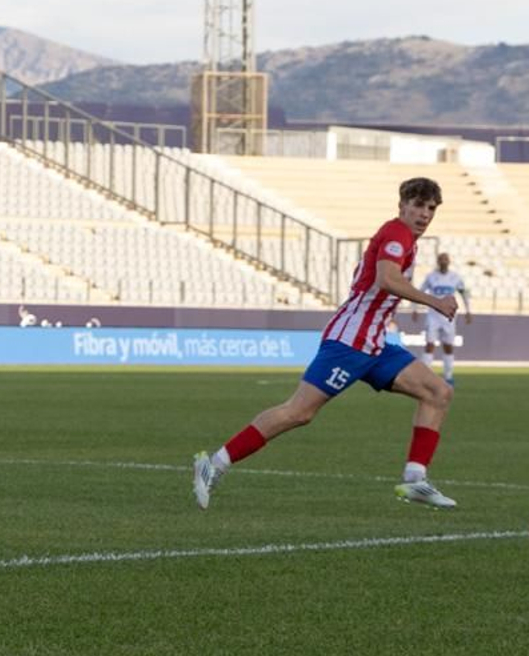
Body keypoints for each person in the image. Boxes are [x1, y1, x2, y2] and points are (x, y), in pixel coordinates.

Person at [192, 177, 459, 510]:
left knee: (437, 392)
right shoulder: (397, 233)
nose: (424, 213)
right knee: (298, 412)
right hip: (349, 342)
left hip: (373, 343)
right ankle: (213, 464)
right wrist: (435, 301)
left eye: (430, 208)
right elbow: (386, 279)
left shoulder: (405, 239)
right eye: (418, 205)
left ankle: (415, 480)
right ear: (402, 205)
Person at [415, 251, 471, 385]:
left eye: (445, 259)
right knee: (429, 345)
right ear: (438, 262)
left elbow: (463, 294)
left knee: (448, 346)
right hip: (433, 316)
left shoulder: (455, 277)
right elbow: (419, 292)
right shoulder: (431, 277)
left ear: (449, 261)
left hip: (448, 317)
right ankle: (425, 377)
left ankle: (448, 377)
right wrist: (415, 308)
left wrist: (468, 311)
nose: (443, 261)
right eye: (441, 259)